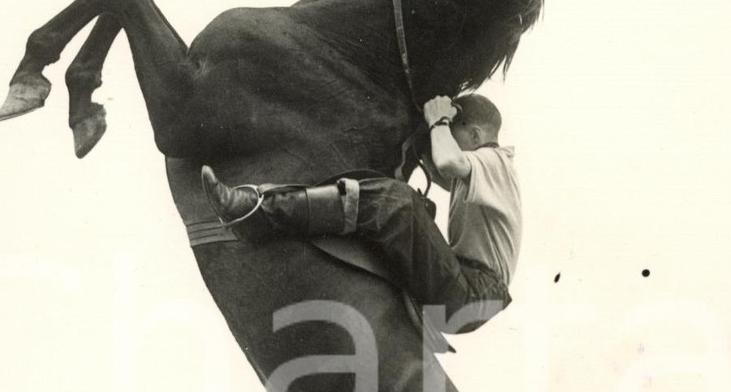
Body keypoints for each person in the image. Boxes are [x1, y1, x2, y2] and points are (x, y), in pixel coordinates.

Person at [202, 93, 521, 335]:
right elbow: (439, 168)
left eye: (454, 134)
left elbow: (448, 163)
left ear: (476, 136)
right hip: (470, 290)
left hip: (475, 291)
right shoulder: (486, 177)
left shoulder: (495, 161)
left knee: (400, 203)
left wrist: (439, 122)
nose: (446, 141)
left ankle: (258, 211)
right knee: (403, 208)